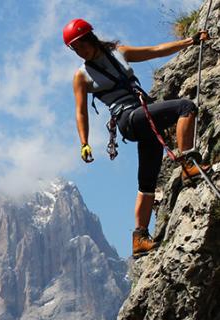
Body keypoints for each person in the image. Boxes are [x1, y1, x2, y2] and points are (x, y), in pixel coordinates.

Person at [63, 18, 211, 258]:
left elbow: (154, 51)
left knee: (147, 181)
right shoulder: (81, 76)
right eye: (75, 48)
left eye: (81, 45)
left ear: (90, 38)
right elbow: (80, 111)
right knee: (185, 107)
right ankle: (187, 165)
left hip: (142, 116)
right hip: (128, 119)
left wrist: (190, 41)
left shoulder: (118, 53)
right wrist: (84, 143)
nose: (80, 51)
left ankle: (139, 238)